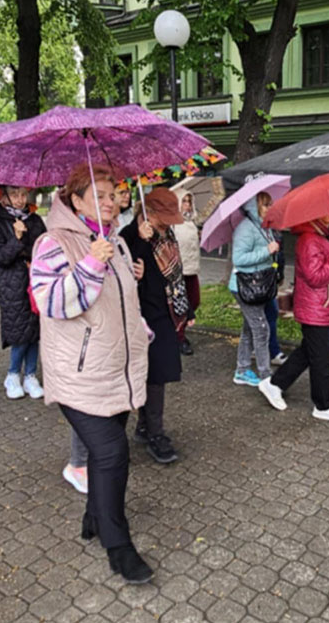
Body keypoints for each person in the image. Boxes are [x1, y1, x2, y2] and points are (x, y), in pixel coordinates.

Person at [29, 164, 153, 584]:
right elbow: (53, 303)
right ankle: (119, 546)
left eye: (112, 192)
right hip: (78, 374)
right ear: (75, 200)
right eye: (97, 194)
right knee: (113, 453)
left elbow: (121, 306)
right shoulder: (52, 243)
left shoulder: (114, 240)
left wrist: (129, 283)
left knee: (106, 454)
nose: (109, 201)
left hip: (118, 367)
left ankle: (93, 516)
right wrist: (89, 267)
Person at [258, 215, 329, 423]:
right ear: (316, 216)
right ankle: (323, 405)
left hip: (322, 306)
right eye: (328, 212)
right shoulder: (309, 240)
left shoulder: (323, 235)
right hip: (315, 308)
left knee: (308, 351)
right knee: (321, 357)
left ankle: (275, 384)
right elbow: (315, 277)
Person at [121, 187, 192, 465]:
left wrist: (187, 306)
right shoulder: (130, 234)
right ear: (148, 212)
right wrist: (140, 240)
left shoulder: (166, 233)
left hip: (166, 310)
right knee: (153, 374)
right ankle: (155, 433)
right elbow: (129, 270)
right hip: (142, 313)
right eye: (164, 216)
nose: (169, 222)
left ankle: (145, 426)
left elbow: (175, 272)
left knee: (158, 373)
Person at [0, 186, 47, 401]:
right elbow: (1, 257)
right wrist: (17, 237)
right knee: (20, 331)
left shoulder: (36, 220)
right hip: (12, 285)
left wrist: (28, 252)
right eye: (14, 195)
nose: (20, 200)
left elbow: (44, 248)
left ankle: (30, 375)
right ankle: (12, 374)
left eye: (23, 194)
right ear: (4, 198)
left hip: (35, 280)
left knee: (34, 332)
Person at [228, 192, 278, 387]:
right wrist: (267, 250)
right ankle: (266, 376)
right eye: (265, 205)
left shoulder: (262, 227)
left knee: (250, 329)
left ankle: (242, 370)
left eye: (270, 204)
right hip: (245, 286)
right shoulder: (245, 228)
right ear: (253, 206)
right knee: (261, 329)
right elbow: (239, 259)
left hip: (258, 285)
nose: (269, 208)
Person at [172, 191, 201, 356]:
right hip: (178, 271)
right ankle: (180, 337)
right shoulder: (173, 223)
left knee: (194, 301)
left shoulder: (191, 222)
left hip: (192, 269)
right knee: (181, 305)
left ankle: (178, 331)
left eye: (189, 201)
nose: (187, 205)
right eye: (184, 201)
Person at [265, 227, 287, 366]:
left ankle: (258, 348)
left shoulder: (275, 232)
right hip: (262, 281)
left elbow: (280, 255)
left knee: (269, 314)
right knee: (270, 314)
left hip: (272, 279)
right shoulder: (262, 231)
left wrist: (280, 274)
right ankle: (273, 351)